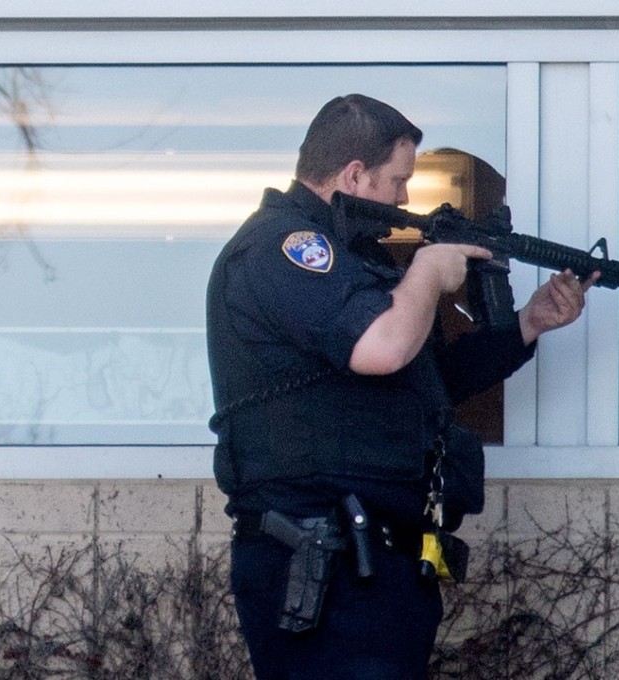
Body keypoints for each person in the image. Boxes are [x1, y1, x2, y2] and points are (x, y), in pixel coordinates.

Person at [206, 94, 597, 680]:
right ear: (353, 174)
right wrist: (428, 272)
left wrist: (528, 325)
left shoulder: (351, 257)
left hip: (370, 562)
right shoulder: (285, 249)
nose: (405, 198)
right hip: (322, 559)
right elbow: (383, 349)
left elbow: (425, 376)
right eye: (398, 179)